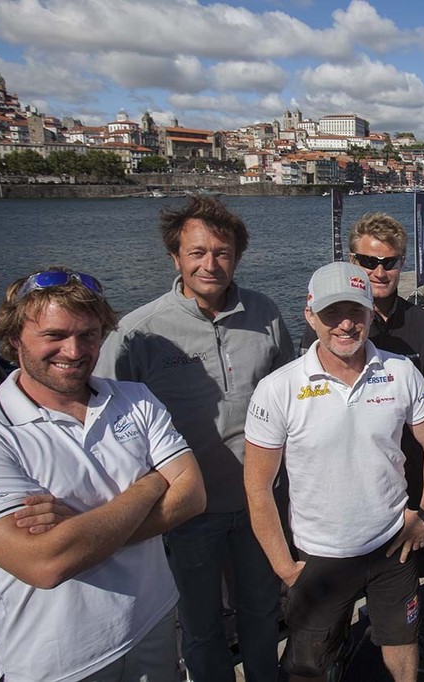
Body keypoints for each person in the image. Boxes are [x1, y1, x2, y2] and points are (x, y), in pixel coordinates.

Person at [0, 268, 207, 682]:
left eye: (89, 334)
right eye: (54, 335)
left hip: (153, 625)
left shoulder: (134, 398)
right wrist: (151, 484)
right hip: (57, 661)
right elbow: (46, 563)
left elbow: (192, 496)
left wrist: (80, 531)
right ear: (13, 340)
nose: (75, 350)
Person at [96, 197, 294, 682]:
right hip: (188, 513)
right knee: (202, 628)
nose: (210, 264)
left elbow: (292, 395)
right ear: (175, 258)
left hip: (259, 502)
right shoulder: (137, 334)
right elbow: (100, 419)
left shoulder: (264, 312)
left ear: (237, 257)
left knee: (262, 613)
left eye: (222, 252)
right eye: (197, 252)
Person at [244, 262, 424, 682]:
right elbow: (258, 486)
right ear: (310, 315)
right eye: (331, 313)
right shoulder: (279, 388)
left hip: (394, 546)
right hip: (320, 556)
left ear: (371, 313)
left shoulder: (400, 372)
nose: (345, 325)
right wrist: (284, 567)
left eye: (355, 311)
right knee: (311, 668)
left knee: (401, 646)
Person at [298, 213, 424, 673]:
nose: (379, 271)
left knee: (408, 578)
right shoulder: (325, 326)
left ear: (401, 264)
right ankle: (340, 646)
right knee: (335, 604)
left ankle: (407, 634)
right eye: (368, 260)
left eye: (390, 261)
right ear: (353, 260)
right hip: (340, 494)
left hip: (402, 486)